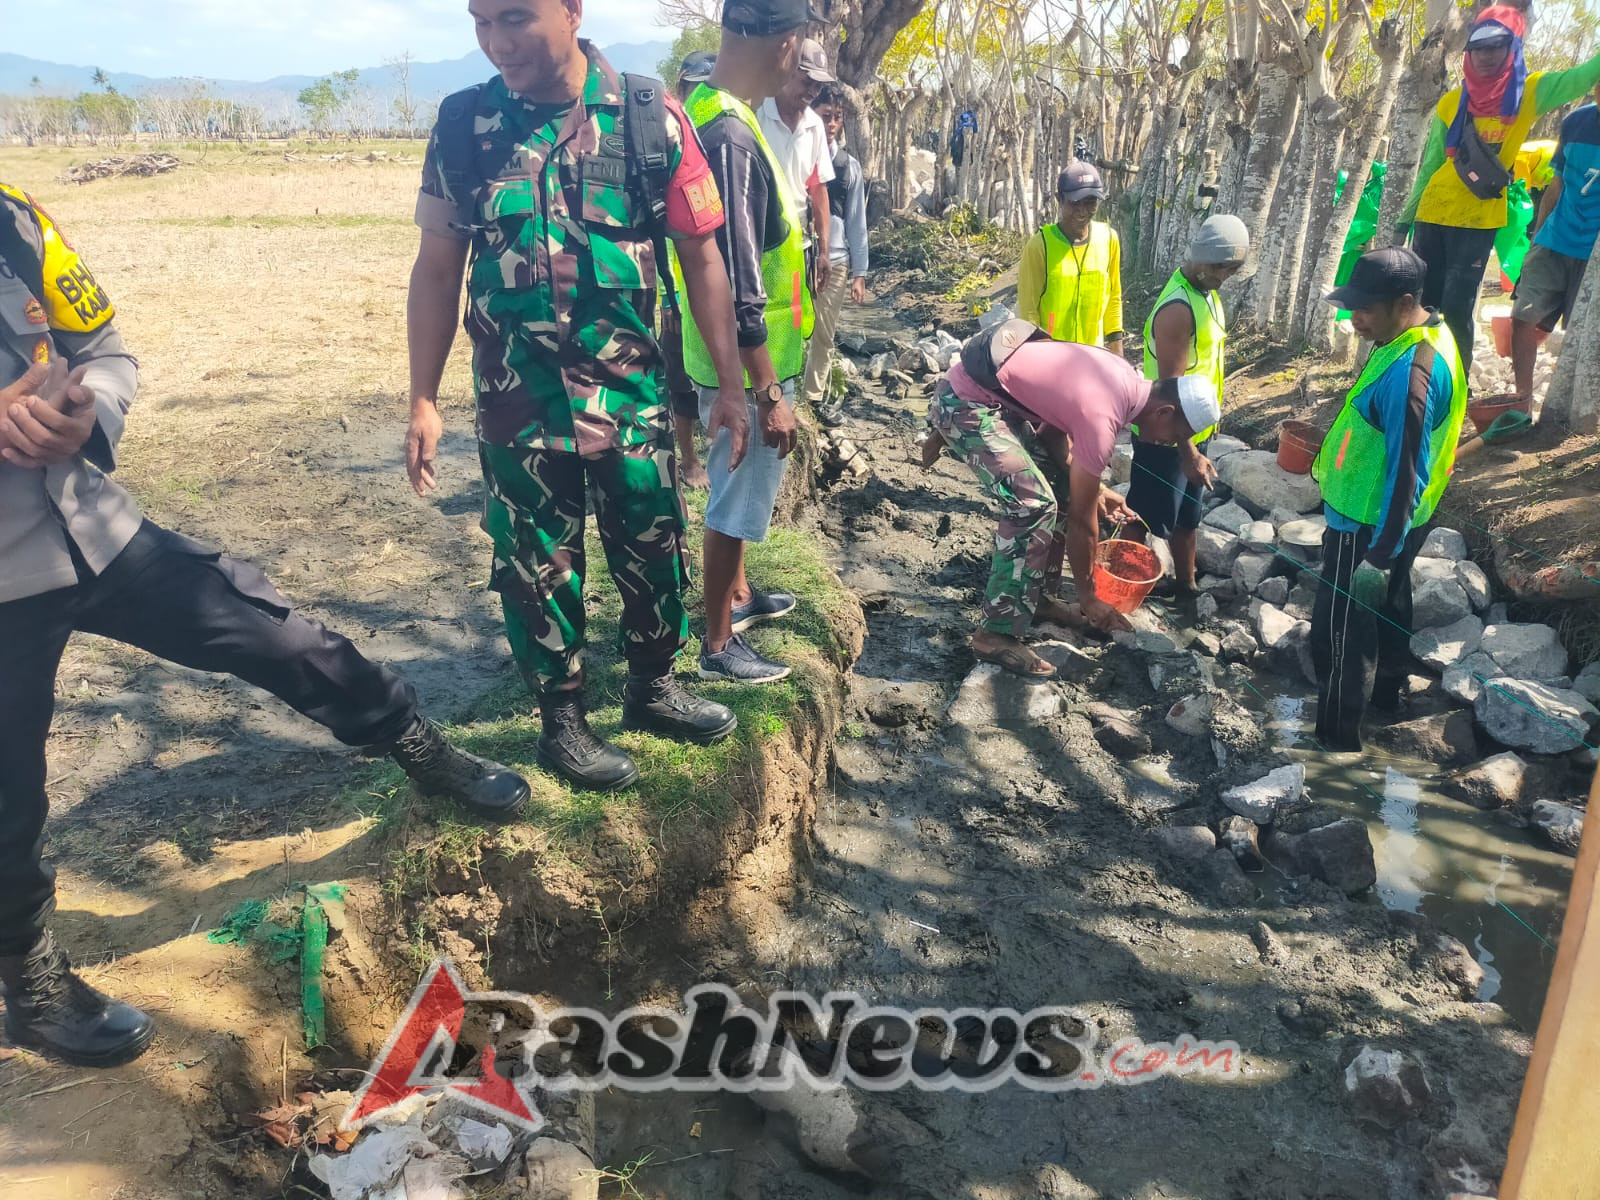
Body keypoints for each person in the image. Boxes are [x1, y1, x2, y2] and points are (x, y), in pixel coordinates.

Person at [0, 182, 531, 1068]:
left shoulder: (12, 218)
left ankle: (417, 745)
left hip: (93, 529)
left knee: (277, 632)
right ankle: (29, 977)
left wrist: (87, 411)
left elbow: (103, 351)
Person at [405, 0, 753, 792]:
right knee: (535, 565)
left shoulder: (646, 116)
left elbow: (702, 260)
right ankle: (562, 719)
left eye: (517, 18)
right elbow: (436, 268)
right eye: (481, 21)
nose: (498, 43)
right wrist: (422, 398)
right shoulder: (463, 125)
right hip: (514, 404)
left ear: (571, 10)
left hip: (627, 396)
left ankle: (653, 687)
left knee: (651, 540)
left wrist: (730, 384)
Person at [925, 320, 1221, 678]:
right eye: (1177, 435)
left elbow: (1052, 433)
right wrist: (1089, 596)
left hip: (992, 396)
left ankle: (1039, 600)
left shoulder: (1121, 375)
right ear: (1164, 413)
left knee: (1062, 487)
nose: (1171, 443)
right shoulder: (1104, 418)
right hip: (967, 403)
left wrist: (1096, 490)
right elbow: (1083, 522)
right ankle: (993, 634)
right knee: (1032, 504)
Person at [678, 0, 821, 685]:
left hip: (737, 353)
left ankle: (737, 595)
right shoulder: (731, 133)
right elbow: (740, 274)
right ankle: (716, 645)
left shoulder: (717, 111)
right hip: (743, 361)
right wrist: (766, 390)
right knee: (735, 495)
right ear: (787, 44)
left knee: (742, 489)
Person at [1310, 247, 1468, 750]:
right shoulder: (1427, 334)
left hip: (1366, 522)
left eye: (1364, 309)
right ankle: (1386, 700)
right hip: (1403, 519)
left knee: (1340, 633)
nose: (1352, 319)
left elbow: (1406, 468)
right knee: (1389, 605)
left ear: (1404, 302)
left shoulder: (1411, 373)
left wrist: (1377, 554)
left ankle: (1335, 745)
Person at [1395, 5, 1600, 373]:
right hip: (1433, 214)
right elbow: (1430, 166)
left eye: (1498, 45)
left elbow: (1587, 75)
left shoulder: (1532, 92)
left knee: (1458, 310)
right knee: (1424, 305)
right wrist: (1404, 220)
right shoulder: (1451, 102)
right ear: (1468, 53)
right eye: (1478, 47)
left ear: (1514, 47)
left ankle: (1455, 386)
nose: (1487, 55)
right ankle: (1417, 381)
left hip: (1478, 219)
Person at [1126, 215, 1250, 600]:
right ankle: (1119, 585)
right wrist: (1189, 453)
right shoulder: (1178, 309)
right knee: (1144, 514)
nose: (1223, 276)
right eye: (1217, 267)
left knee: (1187, 515)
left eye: (1230, 269)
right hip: (1164, 435)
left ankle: (1186, 585)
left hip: (1192, 430)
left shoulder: (1206, 295)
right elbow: (1171, 394)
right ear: (1199, 257)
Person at [1510, 83, 1600, 400]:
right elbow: (1556, 185)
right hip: (1555, 239)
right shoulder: (1576, 121)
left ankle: (1573, 404)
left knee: (1583, 335)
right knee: (1522, 318)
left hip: (1595, 255)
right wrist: (1536, 240)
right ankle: (1521, 400)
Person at [665, 50, 721, 488]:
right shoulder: (663, 140)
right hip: (672, 288)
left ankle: (715, 452)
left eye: (709, 86)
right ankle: (687, 458)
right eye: (694, 87)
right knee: (678, 378)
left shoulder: (723, 138)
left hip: (713, 283)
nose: (701, 95)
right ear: (681, 89)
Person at [803, 82, 870, 429]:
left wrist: (861, 272)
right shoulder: (797, 155)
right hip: (799, 254)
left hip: (839, 260)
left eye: (837, 118)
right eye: (825, 115)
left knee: (825, 333)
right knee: (794, 324)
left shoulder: (849, 167)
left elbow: (858, 221)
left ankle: (812, 398)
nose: (831, 124)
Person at [1016, 161, 1124, 352]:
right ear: (1059, 199)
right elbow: (1028, 311)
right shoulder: (1040, 246)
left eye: (1090, 202)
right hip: (1052, 358)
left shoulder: (1108, 239)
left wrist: (1118, 355)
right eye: (1075, 203)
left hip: (1093, 356)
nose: (1082, 211)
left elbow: (1113, 298)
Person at [758, 38, 836, 298]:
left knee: (796, 323)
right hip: (759, 245)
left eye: (818, 86)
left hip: (799, 247)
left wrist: (824, 252)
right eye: (807, 82)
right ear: (787, 69)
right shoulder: (757, 114)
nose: (813, 91)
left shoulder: (814, 127)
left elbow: (818, 190)